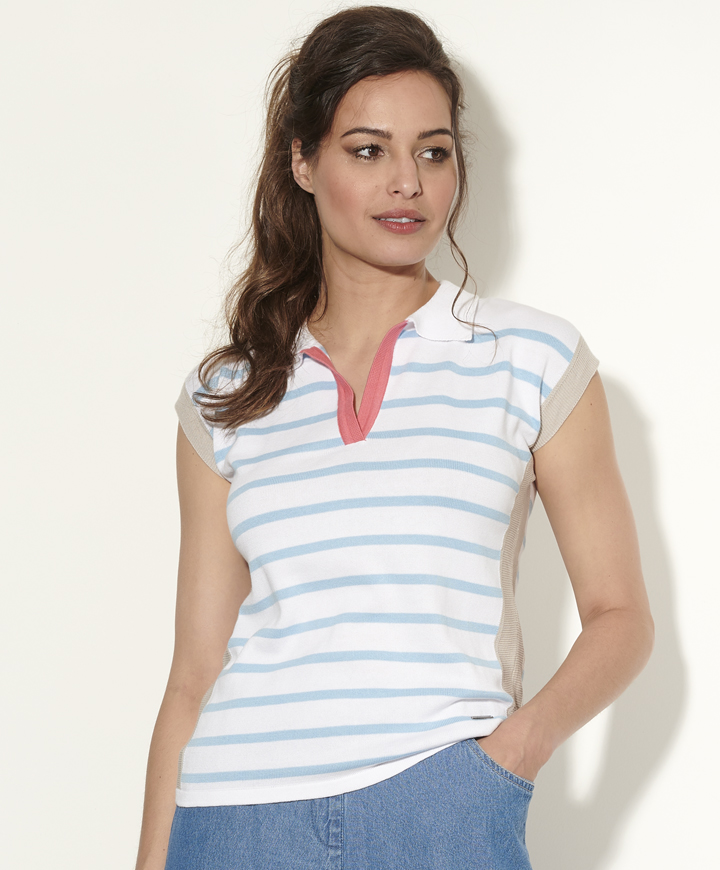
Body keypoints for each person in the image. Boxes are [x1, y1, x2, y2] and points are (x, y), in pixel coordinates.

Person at [134, 6, 654, 869]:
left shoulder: (530, 359)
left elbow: (621, 616)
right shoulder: (227, 392)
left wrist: (509, 758)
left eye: (433, 152)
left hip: (441, 806)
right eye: (368, 150)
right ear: (302, 161)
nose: (407, 182)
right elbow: (193, 674)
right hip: (234, 819)